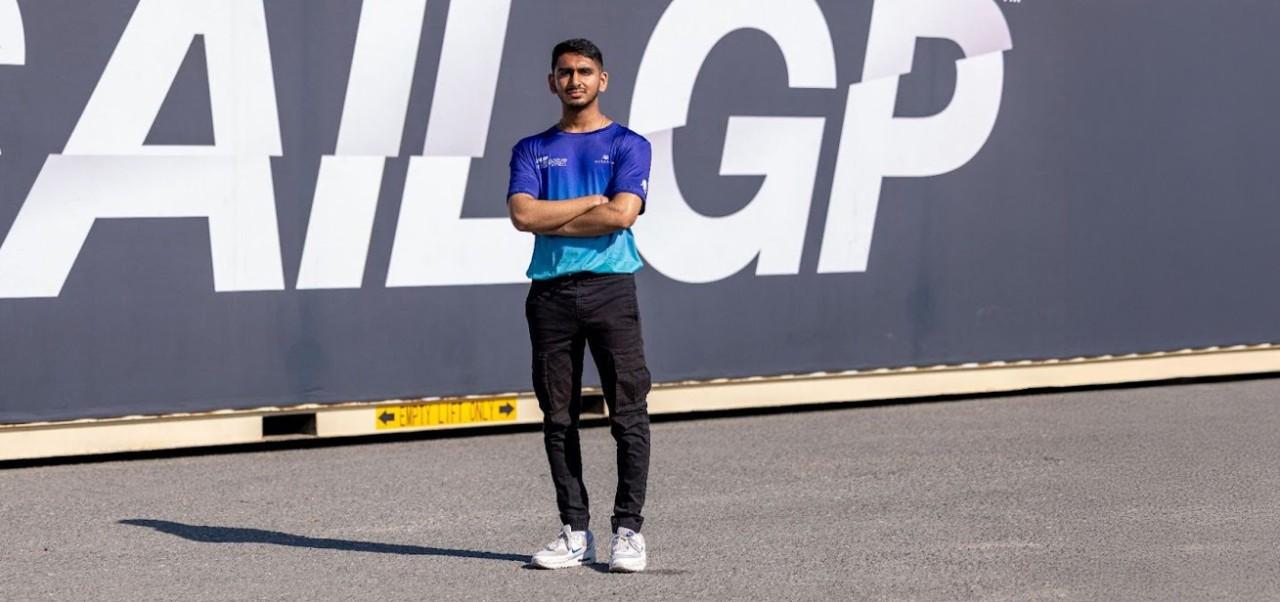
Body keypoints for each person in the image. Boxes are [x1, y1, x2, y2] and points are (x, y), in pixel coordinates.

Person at [506, 38, 653, 573]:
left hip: (611, 289)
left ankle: (629, 531)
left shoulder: (630, 144)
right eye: (565, 72)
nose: (575, 80)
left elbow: (621, 217)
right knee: (558, 416)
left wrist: (560, 212)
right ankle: (575, 532)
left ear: (602, 80)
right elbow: (523, 216)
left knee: (628, 412)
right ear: (553, 82)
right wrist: (591, 201)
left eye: (585, 71)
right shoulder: (530, 149)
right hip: (549, 294)